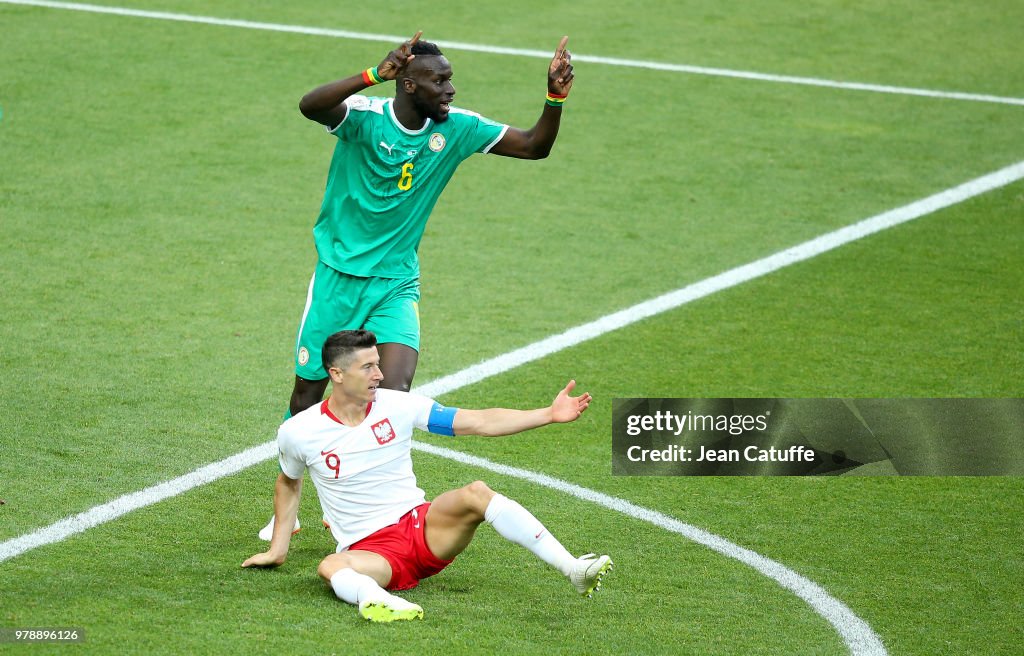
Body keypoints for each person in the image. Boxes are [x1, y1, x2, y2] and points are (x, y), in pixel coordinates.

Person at [259, 31, 574, 539]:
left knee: (394, 390)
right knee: (305, 397)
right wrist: (370, 74)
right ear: (407, 83)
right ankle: (288, 510)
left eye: (451, 80)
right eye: (441, 81)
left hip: (395, 284)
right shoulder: (364, 117)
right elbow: (309, 105)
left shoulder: (458, 129)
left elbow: (535, 146)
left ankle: (373, 505)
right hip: (338, 279)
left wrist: (554, 96)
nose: (451, 90)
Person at [244, 330, 613, 622]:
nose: (380, 374)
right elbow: (289, 482)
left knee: (477, 493)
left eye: (377, 364)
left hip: (423, 529)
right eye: (368, 367)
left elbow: (477, 421)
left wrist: (547, 414)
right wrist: (278, 550)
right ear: (337, 374)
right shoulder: (300, 431)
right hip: (371, 552)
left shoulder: (398, 405)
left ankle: (573, 568)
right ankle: (379, 601)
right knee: (330, 565)